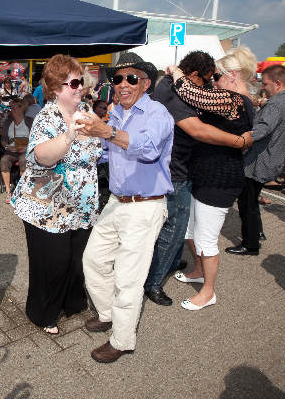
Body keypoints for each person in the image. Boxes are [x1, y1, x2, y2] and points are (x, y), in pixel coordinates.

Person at [78, 52, 173, 363]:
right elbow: (106, 153)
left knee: (128, 278)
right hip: (117, 202)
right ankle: (107, 313)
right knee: (93, 260)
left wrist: (107, 132)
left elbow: (147, 151)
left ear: (145, 83)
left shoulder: (158, 114)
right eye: (117, 79)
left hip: (145, 206)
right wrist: (83, 147)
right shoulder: (116, 113)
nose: (123, 84)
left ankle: (122, 339)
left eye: (131, 78)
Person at [143, 50, 253, 307]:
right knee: (184, 229)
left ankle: (207, 290)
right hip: (192, 173)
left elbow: (197, 102)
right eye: (210, 77)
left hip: (216, 178)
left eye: (217, 77)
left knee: (200, 236)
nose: (213, 83)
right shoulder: (183, 89)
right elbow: (197, 124)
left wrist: (240, 141)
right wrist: (239, 140)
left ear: (232, 75)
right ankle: (183, 274)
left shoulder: (235, 99)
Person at [11, 54, 102, 335]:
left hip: (82, 201)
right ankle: (43, 313)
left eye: (81, 82)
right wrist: (69, 136)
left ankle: (70, 303)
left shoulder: (87, 110)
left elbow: (101, 147)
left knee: (77, 257)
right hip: (49, 206)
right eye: (73, 83)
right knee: (52, 262)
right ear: (56, 88)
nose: (80, 87)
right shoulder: (46, 116)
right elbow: (42, 155)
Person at [225, 65, 285, 255]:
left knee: (247, 203)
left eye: (265, 84)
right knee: (252, 200)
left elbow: (262, 129)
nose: (263, 88)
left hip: (259, 160)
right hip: (271, 158)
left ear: (277, 83)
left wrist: (237, 138)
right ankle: (257, 233)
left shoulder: (276, 104)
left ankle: (250, 244)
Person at [0, 97, 33, 203]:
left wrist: (27, 147)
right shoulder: (8, 122)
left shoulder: (29, 121)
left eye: (16, 107)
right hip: (12, 150)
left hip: (25, 149)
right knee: (4, 160)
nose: (13, 109)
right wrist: (7, 147)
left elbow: (36, 138)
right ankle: (8, 191)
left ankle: (22, 190)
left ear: (23, 108)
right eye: (12, 107)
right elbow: (4, 140)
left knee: (24, 160)